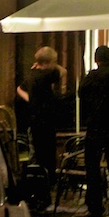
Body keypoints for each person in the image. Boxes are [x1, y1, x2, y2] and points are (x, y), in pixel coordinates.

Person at [78, 45, 109, 217]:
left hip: (95, 127)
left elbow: (81, 94)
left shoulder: (91, 77)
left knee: (92, 167)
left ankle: (95, 206)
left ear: (96, 59)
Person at [16, 45, 67, 189]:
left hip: (33, 120)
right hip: (45, 121)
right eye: (54, 61)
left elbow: (19, 89)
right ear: (47, 62)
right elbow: (63, 71)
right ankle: (48, 182)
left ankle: (40, 181)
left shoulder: (32, 75)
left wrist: (30, 99)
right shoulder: (46, 75)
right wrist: (55, 65)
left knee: (36, 152)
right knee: (47, 153)